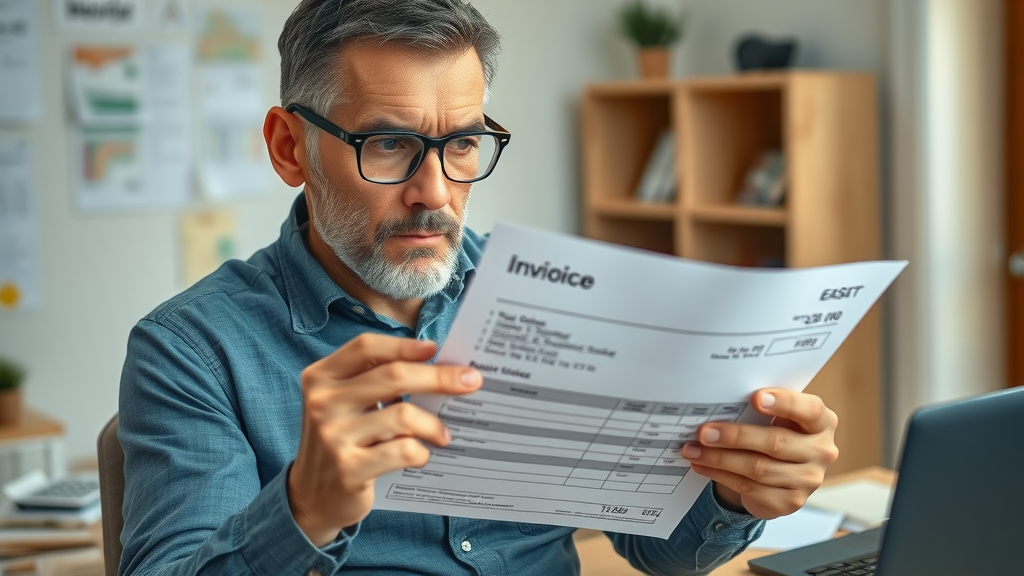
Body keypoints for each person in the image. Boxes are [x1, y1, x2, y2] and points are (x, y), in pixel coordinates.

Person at [118, 1, 839, 574]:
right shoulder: (192, 350)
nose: (433, 193)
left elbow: (659, 550)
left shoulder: (557, 298)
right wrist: (303, 510)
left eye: (462, 143)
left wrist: (735, 492)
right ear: (289, 149)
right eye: (388, 144)